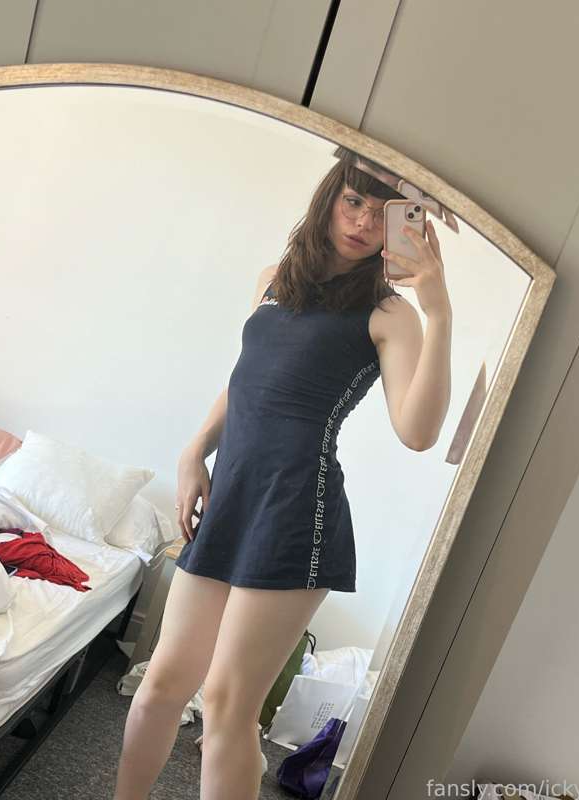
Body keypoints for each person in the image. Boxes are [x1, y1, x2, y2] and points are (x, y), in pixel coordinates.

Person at [112, 146, 452, 800]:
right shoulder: (273, 281)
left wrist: (439, 312)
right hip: (232, 497)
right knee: (160, 685)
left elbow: (418, 432)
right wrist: (194, 450)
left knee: (227, 708)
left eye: (383, 213)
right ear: (330, 198)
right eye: (353, 201)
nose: (363, 222)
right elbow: (247, 381)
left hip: (300, 512)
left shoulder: (390, 313)